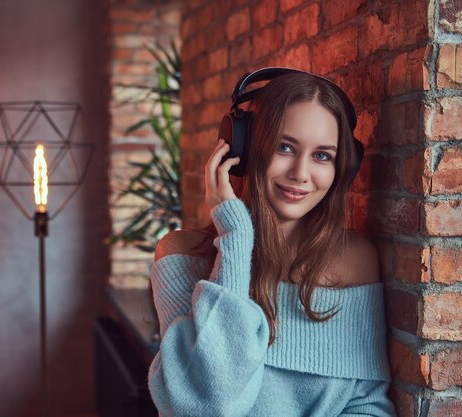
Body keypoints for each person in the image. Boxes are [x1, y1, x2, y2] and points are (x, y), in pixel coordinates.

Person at [147, 68, 397, 417]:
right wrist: (234, 238)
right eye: (285, 147)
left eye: (322, 155)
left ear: (344, 166)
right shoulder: (179, 257)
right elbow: (207, 406)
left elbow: (368, 406)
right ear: (244, 150)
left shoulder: (355, 261)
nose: (300, 173)